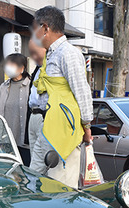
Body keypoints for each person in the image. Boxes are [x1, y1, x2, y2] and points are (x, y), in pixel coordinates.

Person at [29, 6, 94, 189]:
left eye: (36, 29)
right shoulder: (51, 54)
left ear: (46, 28)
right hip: (47, 127)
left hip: (64, 129)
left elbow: (81, 90)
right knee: (34, 178)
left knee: (60, 185)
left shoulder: (69, 53)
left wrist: (87, 125)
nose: (35, 34)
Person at [0, 53, 31, 165]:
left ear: (22, 68)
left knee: (26, 170)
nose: (8, 68)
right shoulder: (3, 87)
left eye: (12, 65)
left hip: (26, 141)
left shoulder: (31, 86)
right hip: (8, 141)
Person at [27, 40, 47, 159]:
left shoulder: (50, 68)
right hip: (33, 114)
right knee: (33, 155)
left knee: (42, 157)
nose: (33, 56)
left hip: (43, 115)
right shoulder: (37, 69)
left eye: (35, 52)